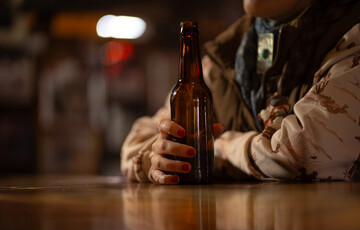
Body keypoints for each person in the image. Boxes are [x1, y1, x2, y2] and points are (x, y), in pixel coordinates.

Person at [121, 0, 360, 184]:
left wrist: (217, 148)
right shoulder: (225, 57)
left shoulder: (351, 36)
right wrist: (158, 158)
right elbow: (135, 143)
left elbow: (304, 153)